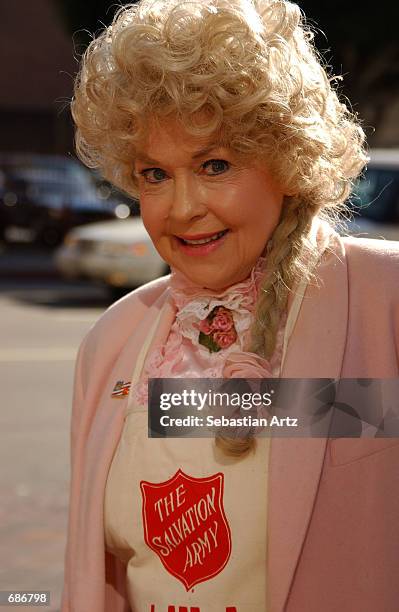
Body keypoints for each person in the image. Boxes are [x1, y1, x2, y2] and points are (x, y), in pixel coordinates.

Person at [62, 1, 399, 610]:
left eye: (215, 165)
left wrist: (282, 405)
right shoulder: (115, 339)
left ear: (286, 158)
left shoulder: (384, 296)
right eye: (154, 174)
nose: (182, 207)